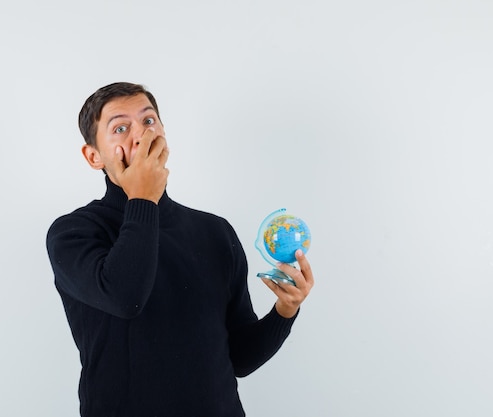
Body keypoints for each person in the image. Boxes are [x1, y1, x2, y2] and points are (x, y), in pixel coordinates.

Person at [46, 82, 314, 416]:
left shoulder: (214, 232)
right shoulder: (74, 233)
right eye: (120, 128)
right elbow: (125, 296)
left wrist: (285, 311)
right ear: (93, 156)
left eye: (149, 121)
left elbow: (241, 358)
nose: (141, 136)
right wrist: (142, 198)